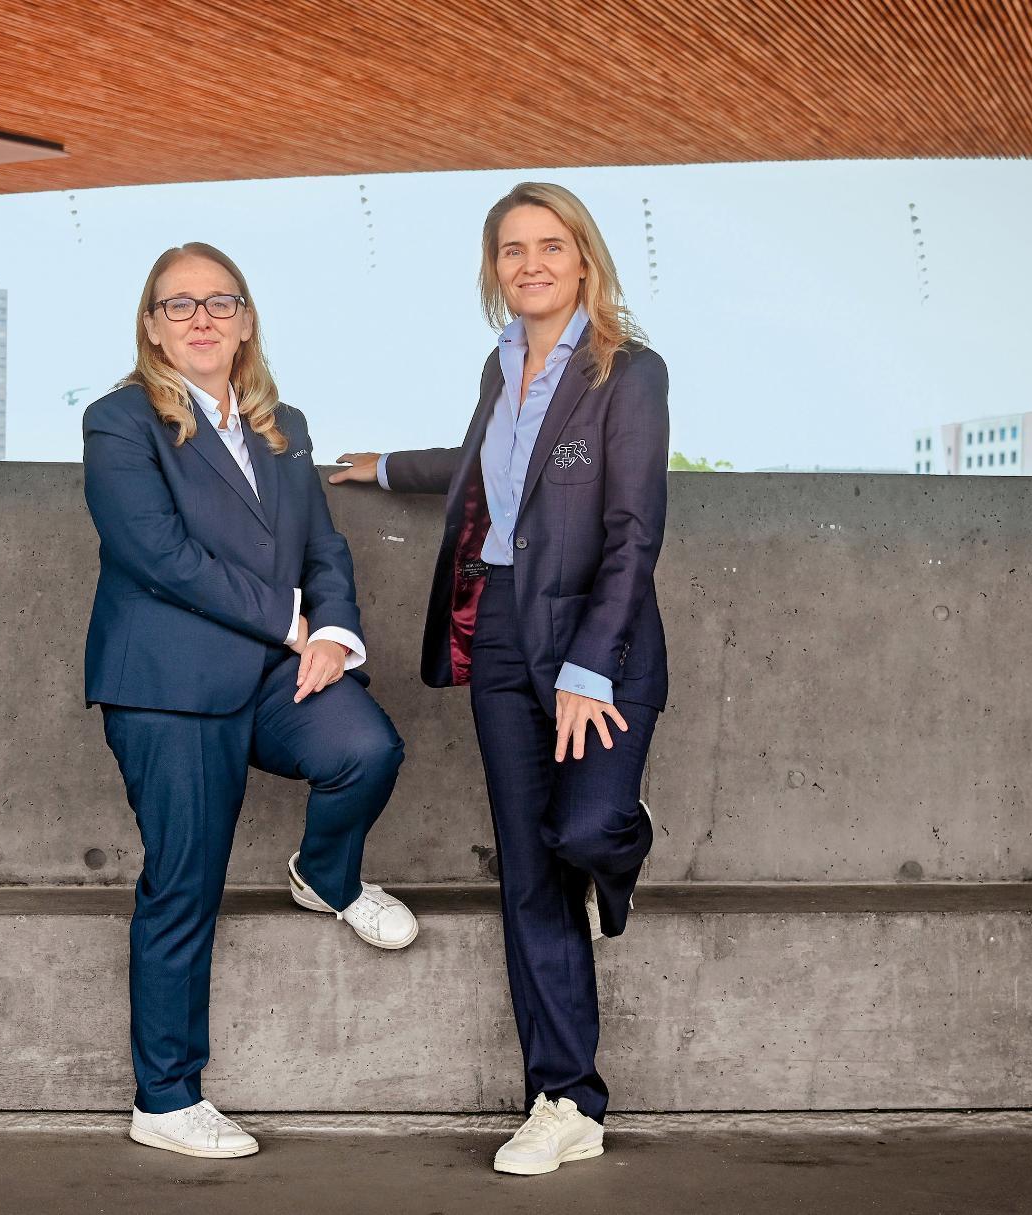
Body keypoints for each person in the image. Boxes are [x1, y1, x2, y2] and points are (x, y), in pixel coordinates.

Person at [332, 182, 670, 1177]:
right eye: (512, 249)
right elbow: (490, 473)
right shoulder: (502, 363)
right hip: (500, 641)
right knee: (530, 877)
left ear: (584, 259)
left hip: (595, 649)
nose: (530, 263)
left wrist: (587, 666)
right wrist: (383, 464)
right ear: (495, 269)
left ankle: (628, 832)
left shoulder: (628, 373)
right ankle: (564, 1099)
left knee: (584, 833)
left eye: (549, 245)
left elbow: (632, 531)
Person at [83, 242, 415, 1159]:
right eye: (177, 304)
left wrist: (336, 632)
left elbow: (323, 547)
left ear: (246, 318)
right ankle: (166, 1097)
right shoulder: (120, 422)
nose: (200, 318)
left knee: (366, 749)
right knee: (186, 882)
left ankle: (328, 874)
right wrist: (291, 623)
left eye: (218, 301)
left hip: (275, 670)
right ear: (152, 326)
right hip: (169, 684)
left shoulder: (283, 426)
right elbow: (154, 552)